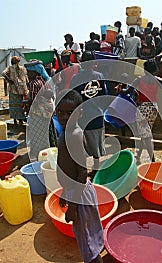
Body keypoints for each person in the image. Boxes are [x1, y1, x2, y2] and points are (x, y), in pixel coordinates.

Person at [56, 89, 103, 263]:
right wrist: (64, 191)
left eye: (70, 113)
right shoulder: (65, 132)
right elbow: (68, 169)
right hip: (74, 191)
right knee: (87, 237)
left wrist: (73, 206)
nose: (64, 117)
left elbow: (82, 172)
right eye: (60, 112)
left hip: (80, 195)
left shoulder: (74, 135)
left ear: (79, 112)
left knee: (88, 244)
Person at [69, 51, 108, 177]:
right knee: (97, 142)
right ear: (93, 63)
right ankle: (96, 166)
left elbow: (72, 97)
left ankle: (82, 168)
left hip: (81, 116)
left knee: (82, 143)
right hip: (97, 114)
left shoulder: (76, 78)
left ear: (81, 63)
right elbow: (104, 95)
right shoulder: (100, 76)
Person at [2, 56, 29, 125]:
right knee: (17, 105)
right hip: (17, 89)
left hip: (18, 90)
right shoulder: (12, 68)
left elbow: (26, 77)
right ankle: (17, 120)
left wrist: (9, 80)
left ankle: (18, 119)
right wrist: (9, 80)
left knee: (18, 105)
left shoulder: (21, 68)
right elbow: (3, 73)